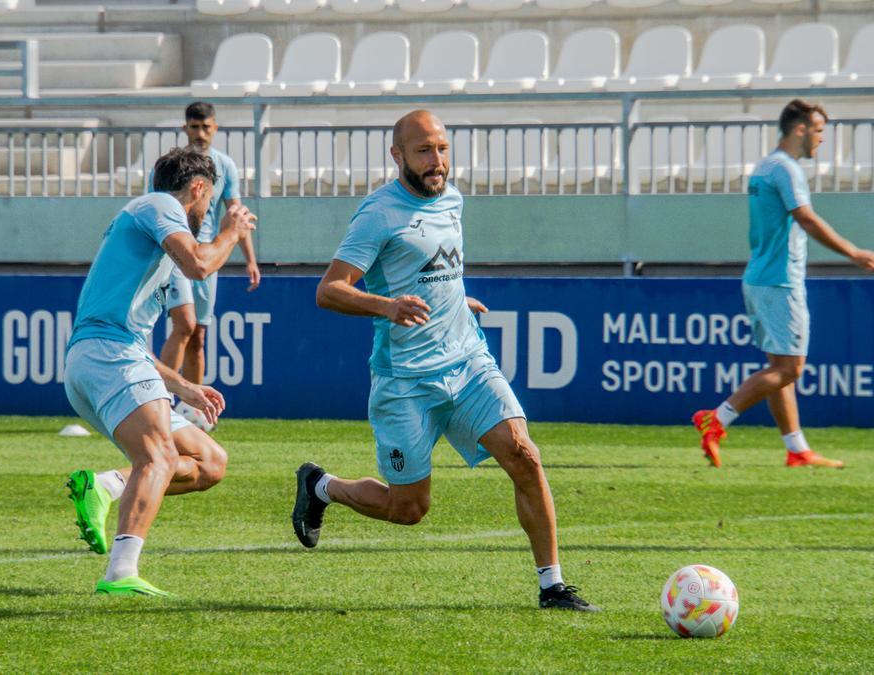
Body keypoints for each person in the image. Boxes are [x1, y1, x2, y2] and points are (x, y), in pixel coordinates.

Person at [292, 110, 601, 611]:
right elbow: (329, 291)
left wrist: (457, 300)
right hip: (406, 382)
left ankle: (553, 586)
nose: (437, 162)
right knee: (409, 508)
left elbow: (436, 268)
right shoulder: (378, 214)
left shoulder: (451, 199)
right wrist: (387, 306)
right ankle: (322, 486)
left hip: (468, 359)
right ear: (397, 156)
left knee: (524, 455)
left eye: (442, 149)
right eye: (424, 151)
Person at [63, 148, 256, 597]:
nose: (207, 212)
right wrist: (231, 231)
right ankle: (120, 573)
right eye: (210, 202)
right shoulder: (159, 206)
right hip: (108, 358)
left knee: (210, 463)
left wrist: (184, 386)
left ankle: (107, 484)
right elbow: (202, 263)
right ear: (199, 188)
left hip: (110, 358)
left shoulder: (154, 237)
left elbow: (152, 328)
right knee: (160, 458)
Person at [692, 99, 874, 469]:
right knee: (790, 369)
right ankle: (716, 419)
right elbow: (807, 219)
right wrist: (854, 252)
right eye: (818, 131)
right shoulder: (786, 169)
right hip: (780, 280)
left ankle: (796, 449)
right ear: (800, 129)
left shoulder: (764, 167)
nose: (821, 140)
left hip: (760, 278)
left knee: (780, 367)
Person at [160, 102, 260, 428]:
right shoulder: (171, 166)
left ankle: (192, 410)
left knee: (199, 335)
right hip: (176, 256)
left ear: (215, 128)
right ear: (185, 128)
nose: (200, 133)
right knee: (184, 326)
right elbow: (155, 210)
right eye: (194, 127)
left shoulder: (224, 165)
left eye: (206, 127)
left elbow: (236, 213)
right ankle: (158, 402)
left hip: (207, 259)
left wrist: (250, 259)